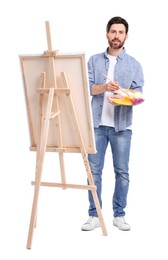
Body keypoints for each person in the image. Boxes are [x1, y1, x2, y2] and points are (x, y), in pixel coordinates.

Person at [81, 16, 144, 231]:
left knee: (122, 172)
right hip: (97, 125)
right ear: (107, 33)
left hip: (122, 127)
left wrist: (122, 95)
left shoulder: (134, 64)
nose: (116, 36)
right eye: (113, 31)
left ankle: (119, 215)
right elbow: (88, 88)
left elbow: (138, 95)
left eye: (120, 32)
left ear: (126, 36)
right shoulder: (94, 61)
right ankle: (94, 215)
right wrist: (104, 88)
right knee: (94, 172)